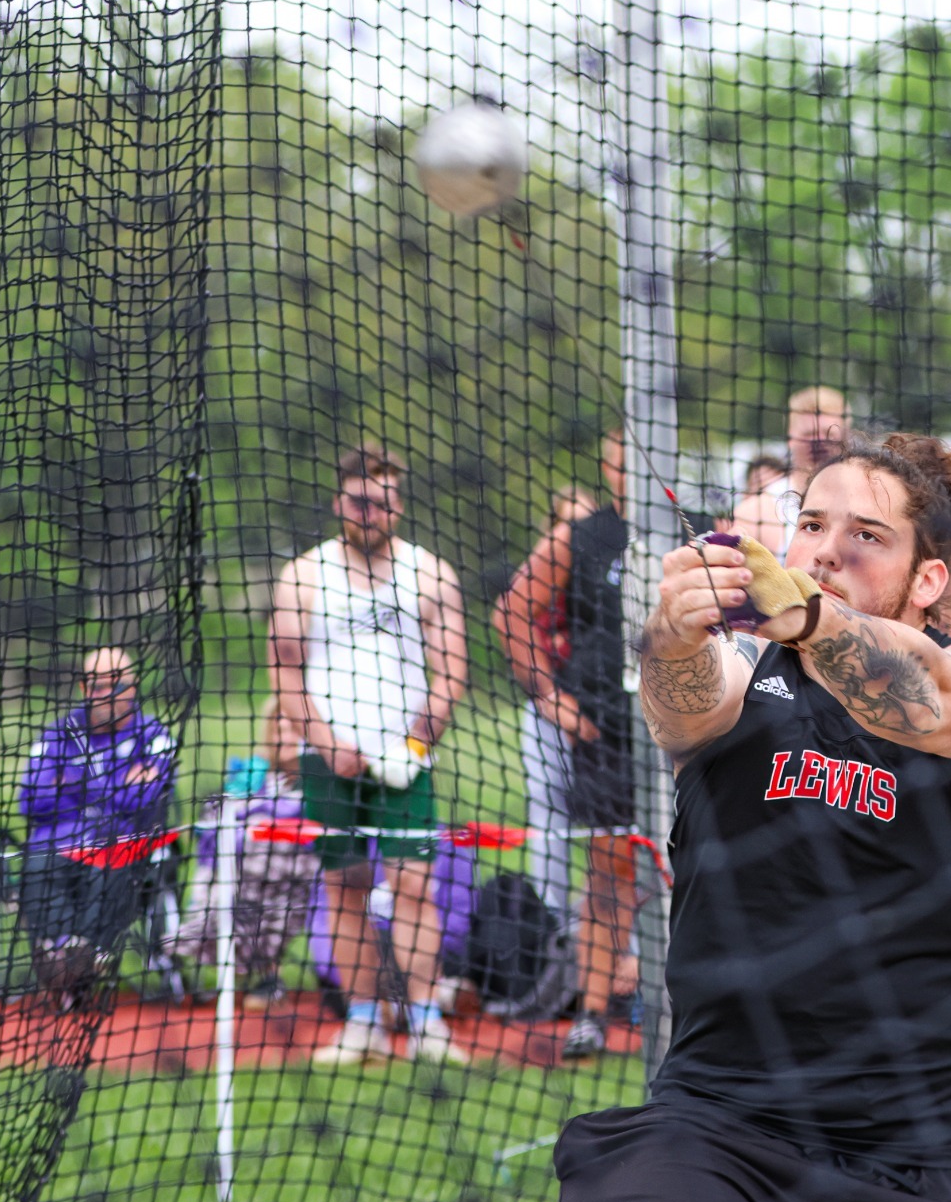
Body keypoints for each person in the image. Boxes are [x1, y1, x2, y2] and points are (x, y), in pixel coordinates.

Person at [554, 432, 951, 1202]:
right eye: (812, 524)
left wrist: (813, 619)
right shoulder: (743, 674)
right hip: (722, 1127)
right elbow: (679, 707)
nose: (827, 548)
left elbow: (935, 699)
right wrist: (672, 629)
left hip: (930, 1156)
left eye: (867, 535)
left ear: (928, 579)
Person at [270, 444, 470, 1065]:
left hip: (406, 761)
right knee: (344, 886)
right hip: (327, 757)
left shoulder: (429, 573)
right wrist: (328, 745)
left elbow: (452, 672)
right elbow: (284, 671)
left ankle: (428, 1022)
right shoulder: (304, 575)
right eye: (358, 501)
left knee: (414, 884)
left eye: (381, 502)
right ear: (339, 503)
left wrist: (413, 746)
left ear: (398, 507)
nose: (369, 512)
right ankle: (362, 1024)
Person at [496, 435, 641, 1060]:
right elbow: (512, 613)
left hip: (686, 726)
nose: (628, 466)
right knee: (610, 870)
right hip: (606, 726)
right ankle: (593, 1013)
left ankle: (684, 1003)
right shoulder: (581, 535)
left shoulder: (699, 528)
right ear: (606, 467)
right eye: (617, 457)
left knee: (696, 864)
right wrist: (553, 699)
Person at [17, 647, 178, 998]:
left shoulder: (154, 735)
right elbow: (30, 799)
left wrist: (73, 779)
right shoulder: (60, 733)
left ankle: (82, 961)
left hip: (120, 846)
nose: (105, 694)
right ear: (82, 688)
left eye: (115, 684)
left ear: (134, 687)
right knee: (37, 866)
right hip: (55, 846)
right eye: (96, 686)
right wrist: (114, 785)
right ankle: (62, 955)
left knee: (110, 866)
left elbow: (142, 800)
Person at [167, 698, 319, 1009]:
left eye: (294, 729)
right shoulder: (253, 773)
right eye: (279, 729)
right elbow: (219, 815)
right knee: (226, 881)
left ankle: (268, 974)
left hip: (296, 872)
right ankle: (235, 974)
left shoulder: (319, 780)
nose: (286, 737)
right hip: (243, 872)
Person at [726, 386, 851, 555]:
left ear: (846, 438)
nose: (819, 442)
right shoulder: (756, 514)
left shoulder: (867, 503)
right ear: (790, 438)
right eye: (810, 434)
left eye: (829, 433)